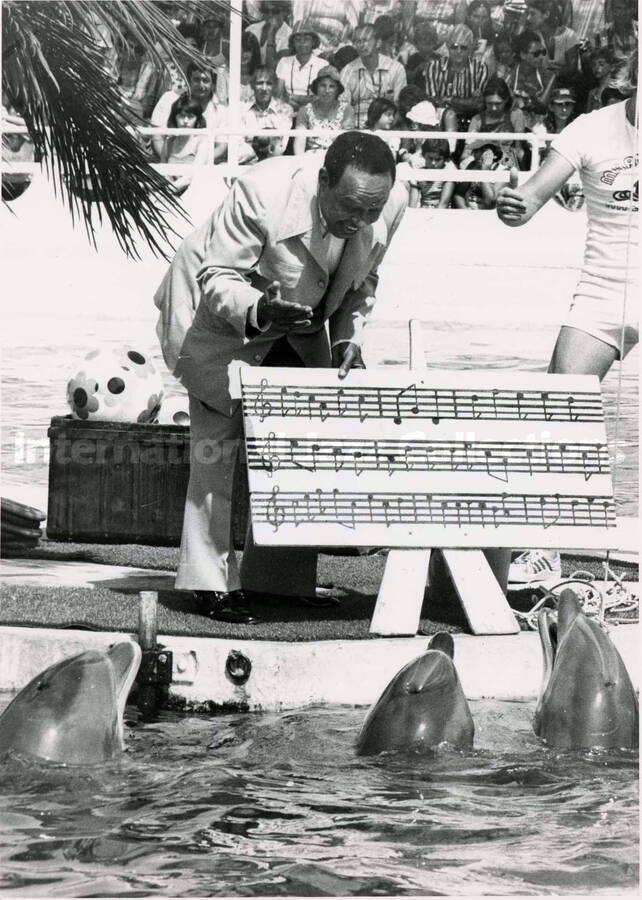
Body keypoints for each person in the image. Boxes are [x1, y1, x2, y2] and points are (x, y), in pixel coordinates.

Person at [154, 132, 408, 623]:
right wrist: (261, 309)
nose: (357, 221)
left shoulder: (390, 202)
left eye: (369, 212)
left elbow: (365, 278)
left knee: (300, 445)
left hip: (303, 320)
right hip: (220, 317)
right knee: (217, 446)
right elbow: (217, 277)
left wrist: (349, 338)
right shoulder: (260, 190)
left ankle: (279, 583)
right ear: (323, 180)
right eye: (349, 207)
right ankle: (207, 583)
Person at [496, 60, 638, 582]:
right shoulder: (590, 128)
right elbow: (528, 200)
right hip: (604, 292)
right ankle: (541, 550)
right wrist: (514, 206)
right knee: (557, 411)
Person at [151, 63, 228, 163]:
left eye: (206, 81)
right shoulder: (169, 99)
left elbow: (221, 147)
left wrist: (196, 163)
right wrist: (171, 161)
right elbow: (157, 137)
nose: (201, 85)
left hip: (204, 164)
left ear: (213, 83)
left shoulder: (221, 109)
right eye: (196, 79)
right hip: (168, 160)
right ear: (187, 80)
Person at [422, 24, 489, 134]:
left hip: (472, 121)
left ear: (471, 48)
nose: (458, 51)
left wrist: (449, 100)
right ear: (447, 46)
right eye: (454, 46)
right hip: (441, 122)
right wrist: (467, 103)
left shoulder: (480, 68)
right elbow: (433, 103)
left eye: (463, 47)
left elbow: (478, 105)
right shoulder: (434, 67)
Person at [340, 24, 407, 128]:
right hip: (357, 125)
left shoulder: (396, 69)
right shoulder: (347, 71)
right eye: (358, 41)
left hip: (388, 125)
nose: (362, 45)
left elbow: (399, 105)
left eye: (366, 40)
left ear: (378, 43)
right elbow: (343, 106)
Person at [293, 65, 354, 154]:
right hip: (311, 159)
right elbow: (299, 143)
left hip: (337, 159)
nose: (327, 90)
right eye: (323, 85)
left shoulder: (346, 110)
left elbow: (348, 143)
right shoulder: (305, 110)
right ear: (316, 88)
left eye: (332, 86)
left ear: (337, 90)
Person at [239, 67, 293, 163]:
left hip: (273, 163)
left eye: (269, 83)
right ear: (252, 85)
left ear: (275, 86)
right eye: (260, 83)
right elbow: (238, 143)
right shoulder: (241, 108)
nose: (264, 88)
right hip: (245, 163)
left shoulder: (285, 110)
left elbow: (281, 146)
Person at [161, 93, 209, 195]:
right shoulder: (169, 142)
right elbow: (164, 174)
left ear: (197, 119)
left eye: (190, 117)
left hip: (193, 194)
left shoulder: (201, 141)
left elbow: (193, 175)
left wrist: (170, 189)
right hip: (170, 193)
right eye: (182, 116)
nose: (186, 121)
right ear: (175, 118)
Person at [276, 24, 326, 113]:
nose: (302, 43)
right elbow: (279, 94)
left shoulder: (322, 65)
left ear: (313, 42)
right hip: (287, 111)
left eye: (307, 39)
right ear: (293, 43)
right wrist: (304, 100)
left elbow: (322, 97)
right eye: (298, 39)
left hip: (314, 112)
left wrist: (293, 97)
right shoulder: (284, 62)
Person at [408, 137, 457, 207]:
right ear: (424, 155)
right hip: (423, 211)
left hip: (442, 213)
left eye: (438, 159)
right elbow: (412, 204)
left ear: (445, 159)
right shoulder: (418, 172)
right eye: (430, 158)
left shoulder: (448, 172)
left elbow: (444, 203)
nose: (433, 163)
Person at [245, 1, 292, 68]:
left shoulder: (290, 36)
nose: (270, 15)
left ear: (285, 12)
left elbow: (275, 66)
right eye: (266, 11)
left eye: (275, 11)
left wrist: (271, 35)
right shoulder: (251, 29)